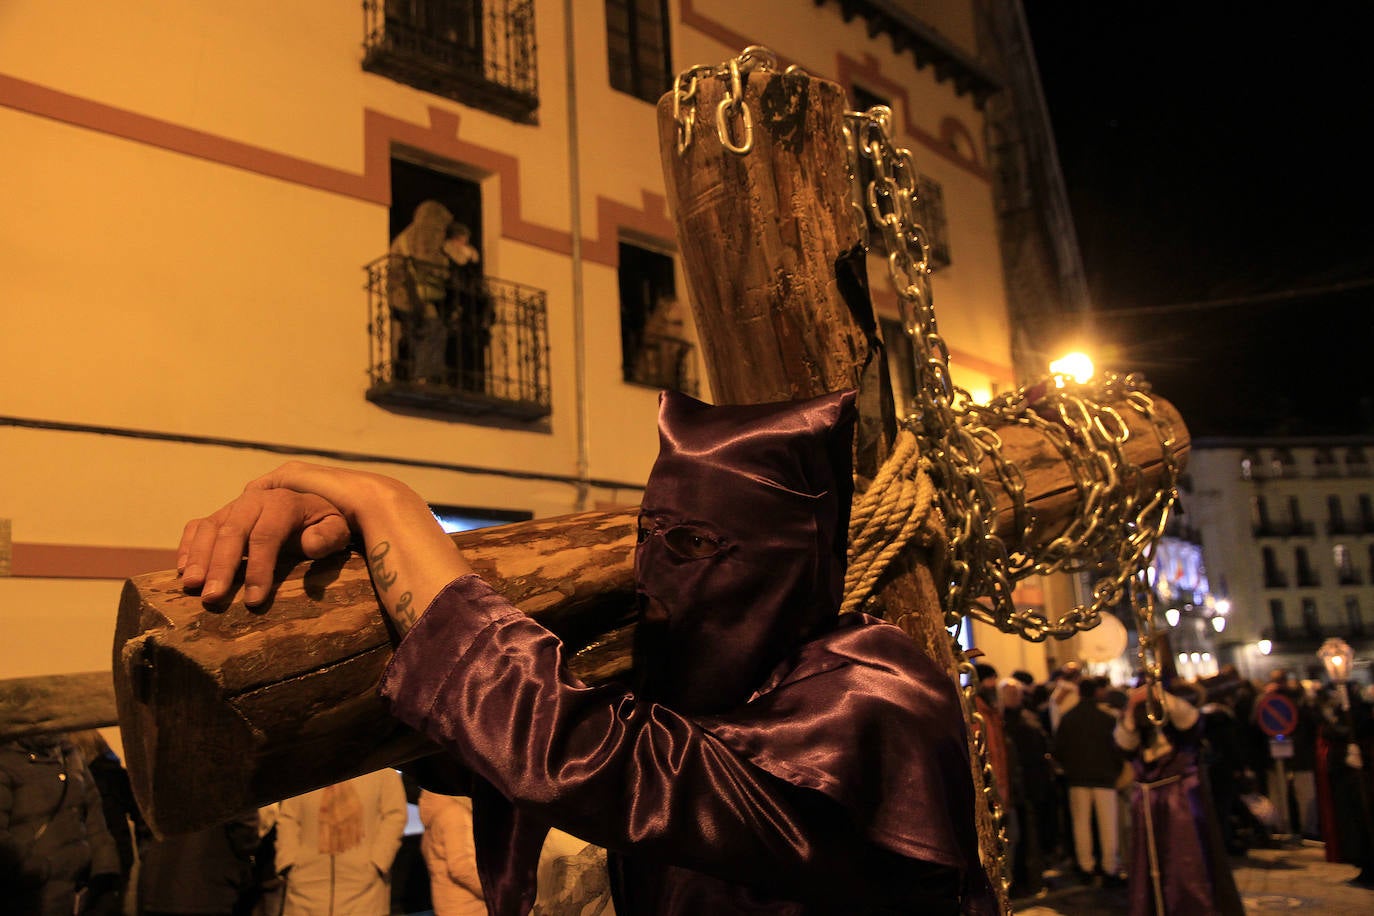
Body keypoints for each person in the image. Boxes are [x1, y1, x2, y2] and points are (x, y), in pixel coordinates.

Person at [177, 389, 996, 914]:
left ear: (794, 560)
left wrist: (385, 505)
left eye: (699, 542)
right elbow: (466, 745)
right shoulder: (665, 677)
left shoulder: (872, 701)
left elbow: (582, 757)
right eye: (652, 539)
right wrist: (331, 563)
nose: (664, 573)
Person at [1115, 683, 1244, 916]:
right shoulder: (1139, 728)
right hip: (1147, 799)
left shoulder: (1184, 730)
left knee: (1185, 859)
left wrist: (1160, 695)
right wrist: (1132, 707)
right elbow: (1124, 743)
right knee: (1149, 861)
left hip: (1179, 798)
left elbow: (1190, 722)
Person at [1, 733, 121, 916]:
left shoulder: (70, 755)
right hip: (31, 896)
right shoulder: (6, 760)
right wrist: (37, 870)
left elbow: (95, 821)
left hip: (79, 893)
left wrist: (105, 874)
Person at [275, 770, 407, 916]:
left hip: (363, 887)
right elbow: (288, 818)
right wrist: (288, 863)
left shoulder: (381, 770)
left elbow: (394, 815)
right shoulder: (306, 770)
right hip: (306, 883)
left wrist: (378, 862)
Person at [1051, 676, 1124, 886]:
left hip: (1077, 778)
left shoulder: (1069, 718)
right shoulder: (1107, 719)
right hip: (1104, 778)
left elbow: (1059, 749)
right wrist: (1114, 769)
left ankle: (1086, 866)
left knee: (1081, 825)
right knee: (1108, 825)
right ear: (1096, 693)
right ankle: (1110, 867)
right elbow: (1117, 749)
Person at [137, 811, 259, 916]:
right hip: (212, 887)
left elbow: (144, 821)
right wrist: (249, 863)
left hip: (158, 886)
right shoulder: (228, 784)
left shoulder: (159, 784)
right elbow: (244, 826)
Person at [388, 200, 454, 384]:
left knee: (424, 331)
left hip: (406, 294)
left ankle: (421, 373)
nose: (441, 231)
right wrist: (444, 265)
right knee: (434, 329)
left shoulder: (406, 236)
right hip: (411, 294)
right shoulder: (421, 233)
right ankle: (424, 375)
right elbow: (427, 262)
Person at [442, 222, 493, 394]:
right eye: (462, 237)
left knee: (469, 340)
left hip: (468, 294)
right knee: (457, 340)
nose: (465, 240)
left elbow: (472, 266)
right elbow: (458, 264)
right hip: (457, 293)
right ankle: (455, 377)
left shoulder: (469, 252)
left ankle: (470, 378)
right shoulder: (449, 249)